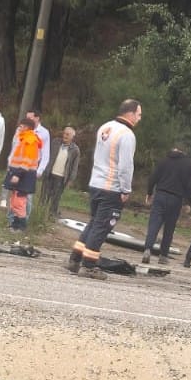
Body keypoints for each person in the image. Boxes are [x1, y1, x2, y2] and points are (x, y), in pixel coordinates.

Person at [65, 99, 142, 280]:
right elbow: (125, 166)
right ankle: (89, 266)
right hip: (112, 187)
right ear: (130, 114)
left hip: (96, 183)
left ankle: (75, 259)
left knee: (93, 223)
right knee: (101, 227)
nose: (140, 118)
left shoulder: (105, 127)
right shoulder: (127, 134)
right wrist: (125, 189)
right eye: (138, 114)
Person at [142, 146, 191, 265]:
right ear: (184, 151)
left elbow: (153, 178)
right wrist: (188, 202)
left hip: (160, 195)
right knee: (169, 228)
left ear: (174, 149)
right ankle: (163, 255)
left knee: (154, 225)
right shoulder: (188, 164)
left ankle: (147, 249)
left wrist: (149, 193)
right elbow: (190, 184)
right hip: (176, 199)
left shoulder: (164, 160)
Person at [4, 117, 41, 231]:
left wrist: (17, 175)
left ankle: (21, 226)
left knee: (20, 202)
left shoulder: (30, 140)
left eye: (21, 126)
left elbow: (27, 161)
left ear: (26, 127)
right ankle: (15, 225)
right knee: (15, 201)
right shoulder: (24, 139)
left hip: (24, 176)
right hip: (20, 174)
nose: (19, 128)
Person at [39, 126, 79, 217]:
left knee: (56, 197)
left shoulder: (75, 150)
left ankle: (52, 215)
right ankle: (40, 213)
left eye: (67, 134)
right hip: (50, 173)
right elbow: (46, 155)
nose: (65, 135)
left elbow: (74, 166)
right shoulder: (55, 142)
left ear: (72, 136)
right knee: (44, 195)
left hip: (61, 177)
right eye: (64, 133)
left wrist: (71, 180)